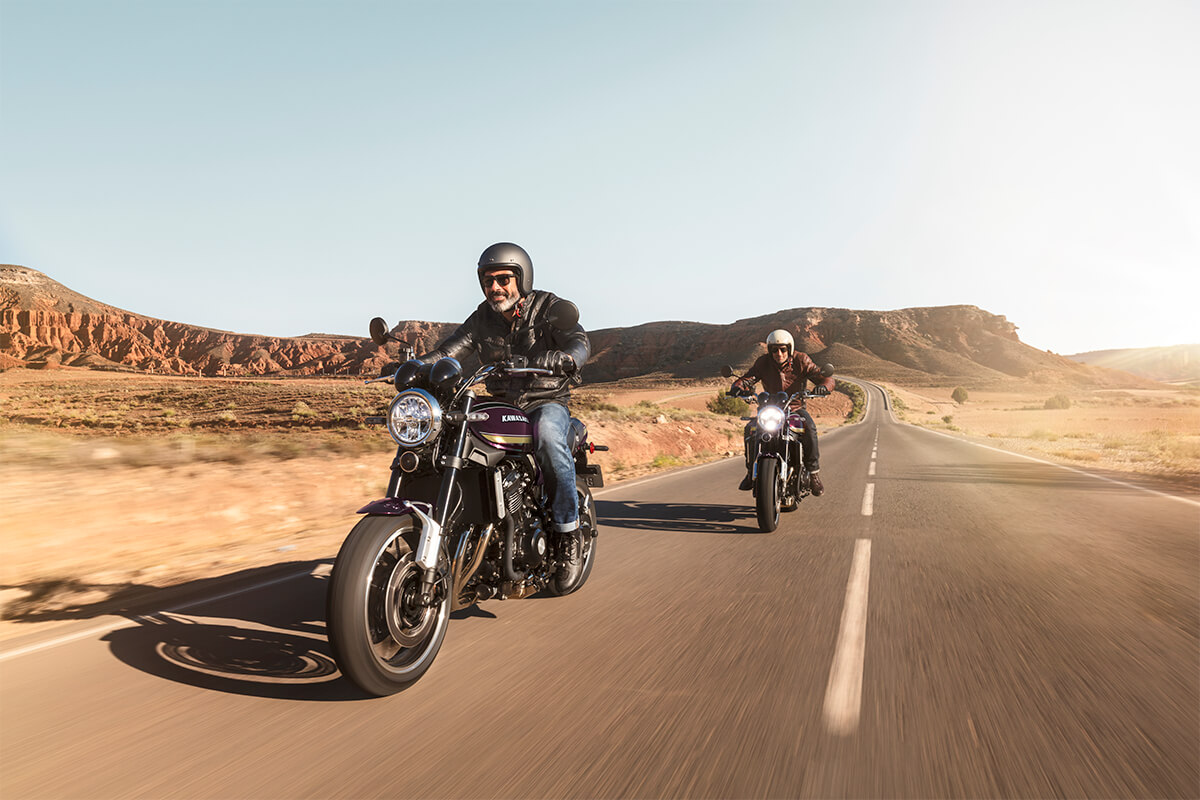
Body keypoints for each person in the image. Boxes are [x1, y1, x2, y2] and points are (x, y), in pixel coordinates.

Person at [415, 242, 591, 566]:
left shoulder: (548, 308)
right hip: (500, 404)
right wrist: (414, 366)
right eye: (487, 281)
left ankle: (568, 533)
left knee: (550, 438)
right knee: (449, 432)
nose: (494, 287)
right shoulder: (482, 317)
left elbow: (579, 341)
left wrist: (566, 358)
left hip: (544, 400)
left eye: (503, 279)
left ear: (521, 280)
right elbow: (448, 351)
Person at [730, 329, 834, 496]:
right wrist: (738, 387)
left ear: (790, 349)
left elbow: (823, 377)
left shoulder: (802, 360)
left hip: (794, 408)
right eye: (774, 350)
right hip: (769, 408)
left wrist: (824, 386)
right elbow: (748, 378)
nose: (779, 353)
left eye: (783, 349)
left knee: (810, 428)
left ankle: (814, 473)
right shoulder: (763, 362)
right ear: (770, 350)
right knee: (750, 429)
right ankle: (751, 472)